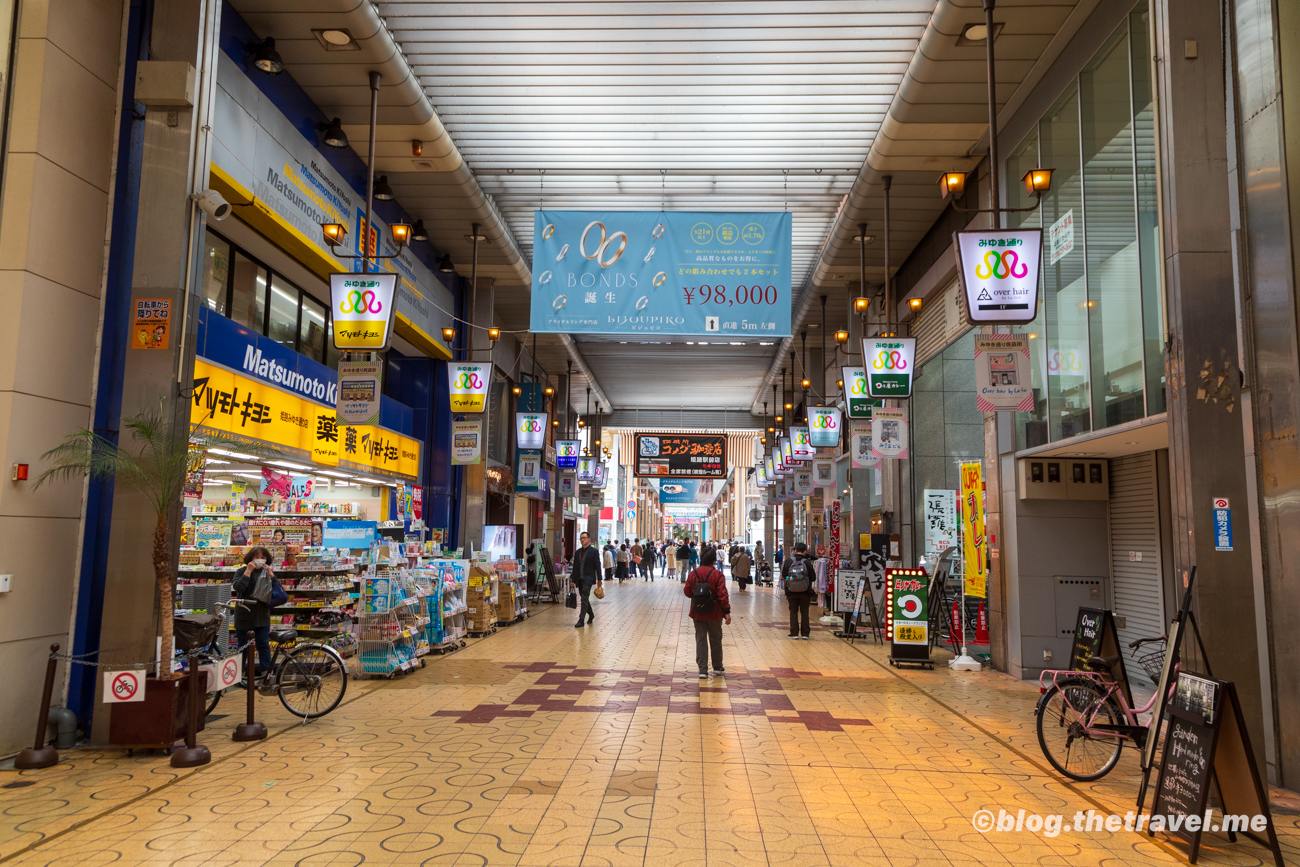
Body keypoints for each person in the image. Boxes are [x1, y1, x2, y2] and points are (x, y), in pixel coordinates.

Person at [684, 546, 730, 678]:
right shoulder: (718, 575)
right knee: (715, 639)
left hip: (697, 612)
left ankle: (702, 670)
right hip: (714, 613)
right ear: (714, 560)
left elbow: (687, 592)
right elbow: (723, 594)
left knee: (700, 639)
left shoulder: (694, 574)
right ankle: (717, 667)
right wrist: (726, 611)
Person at [232, 546, 276, 678]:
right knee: (242, 646)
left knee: (263, 644)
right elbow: (239, 587)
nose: (260, 560)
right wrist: (248, 571)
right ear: (250, 558)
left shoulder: (267, 572)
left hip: (262, 614)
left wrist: (271, 575)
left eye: (263, 558)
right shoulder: (241, 571)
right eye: (257, 557)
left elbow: (276, 590)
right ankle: (239, 675)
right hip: (244, 614)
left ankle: (266, 674)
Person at [781, 542, 815, 639]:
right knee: (805, 612)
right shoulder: (807, 562)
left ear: (795, 550)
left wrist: (790, 580)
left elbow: (784, 575)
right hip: (805, 591)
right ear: (805, 551)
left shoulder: (789, 561)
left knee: (793, 611)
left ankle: (794, 633)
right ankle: (805, 634)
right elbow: (813, 577)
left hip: (791, 591)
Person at [571, 531, 603, 628]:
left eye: (584, 538)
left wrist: (599, 579)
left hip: (588, 578)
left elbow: (598, 566)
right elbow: (575, 567)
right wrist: (573, 580)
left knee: (584, 597)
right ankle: (591, 614)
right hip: (579, 579)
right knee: (584, 598)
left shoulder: (594, 551)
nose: (582, 540)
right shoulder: (577, 552)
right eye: (581, 538)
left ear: (589, 539)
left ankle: (581, 620)